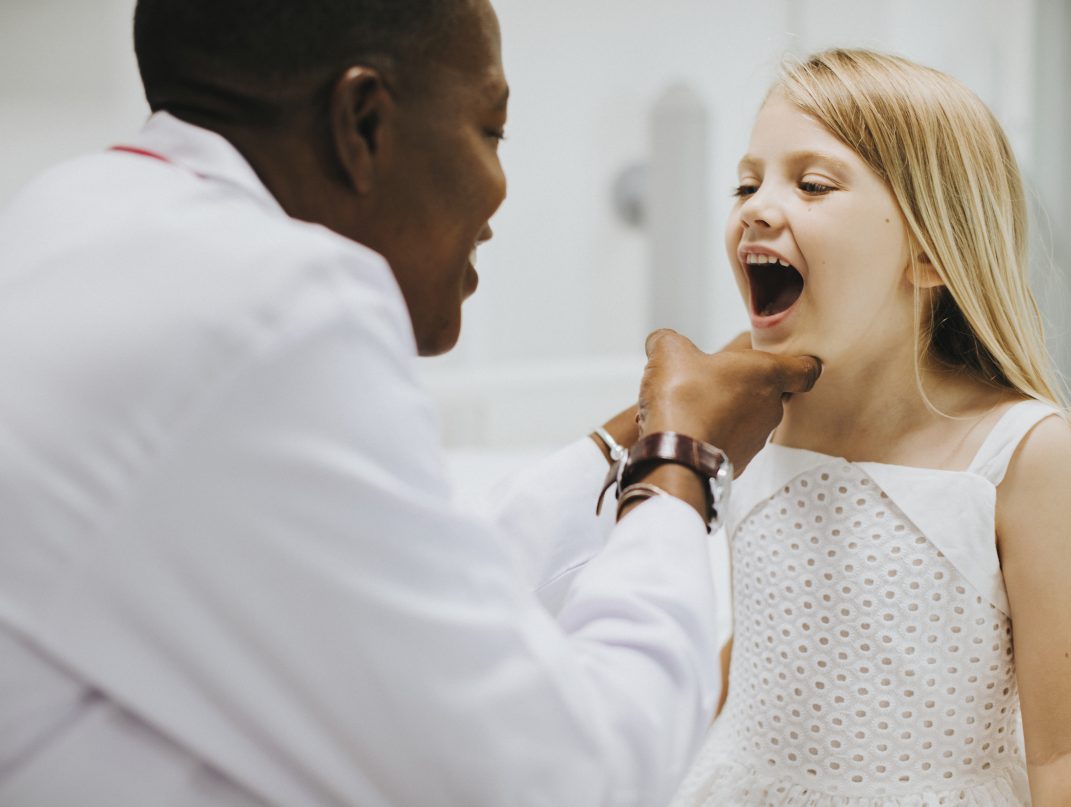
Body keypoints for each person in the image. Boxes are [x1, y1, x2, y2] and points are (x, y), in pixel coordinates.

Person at [0, 1, 821, 805]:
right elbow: (567, 777)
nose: (499, 192)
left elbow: (386, 592)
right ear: (362, 124)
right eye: (490, 131)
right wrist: (679, 465)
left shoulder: (77, 211)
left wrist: (616, 456)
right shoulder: (280, 307)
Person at [669, 49, 1071, 807]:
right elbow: (757, 653)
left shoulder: (1018, 453)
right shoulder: (752, 419)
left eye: (812, 184)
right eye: (748, 182)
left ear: (929, 250)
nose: (757, 204)